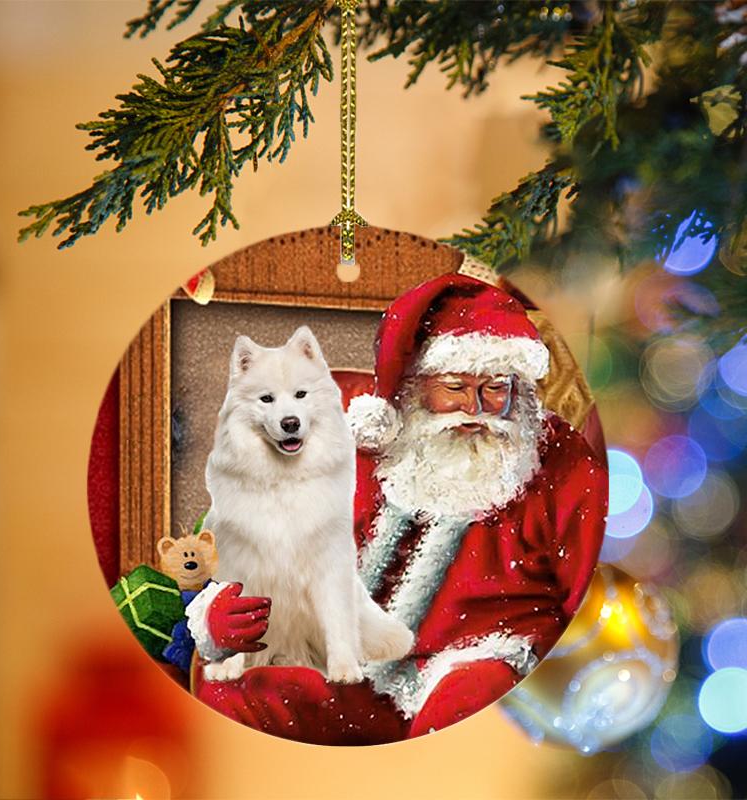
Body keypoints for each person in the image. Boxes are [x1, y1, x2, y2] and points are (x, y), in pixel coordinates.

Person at [189, 273, 608, 744]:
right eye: (454, 386)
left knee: (465, 704)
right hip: (357, 670)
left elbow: (595, 598)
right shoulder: (360, 448)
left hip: (479, 661)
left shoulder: (560, 464)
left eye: (496, 388)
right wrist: (220, 616)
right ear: (416, 387)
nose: (476, 409)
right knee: (237, 696)